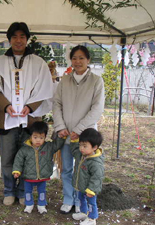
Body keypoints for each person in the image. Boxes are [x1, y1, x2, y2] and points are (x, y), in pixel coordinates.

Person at [0, 22, 53, 206]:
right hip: (7, 119)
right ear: (9, 39)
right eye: (14, 37)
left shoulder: (38, 63)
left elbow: (44, 89)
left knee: (28, 157)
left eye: (22, 36)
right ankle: (9, 191)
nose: (18, 40)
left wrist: (30, 107)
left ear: (27, 39)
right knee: (7, 158)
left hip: (29, 120)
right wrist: (5, 106)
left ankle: (23, 192)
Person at [53, 45, 105, 214]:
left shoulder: (96, 81)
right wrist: (60, 126)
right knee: (66, 169)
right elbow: (57, 104)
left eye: (81, 58)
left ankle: (80, 201)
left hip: (85, 138)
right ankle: (68, 199)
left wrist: (80, 130)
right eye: (74, 58)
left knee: (83, 171)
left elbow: (97, 109)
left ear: (88, 60)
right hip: (66, 135)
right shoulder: (65, 80)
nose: (78, 61)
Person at [12, 121, 65, 214]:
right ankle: (29, 205)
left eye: (41, 138)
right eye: (35, 137)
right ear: (30, 136)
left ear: (45, 137)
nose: (38, 140)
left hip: (42, 176)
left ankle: (41, 205)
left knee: (42, 192)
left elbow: (57, 145)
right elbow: (18, 160)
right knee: (28, 192)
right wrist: (17, 171)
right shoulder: (25, 149)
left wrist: (61, 137)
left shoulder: (48, 147)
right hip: (28, 176)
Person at [70, 128, 104, 225]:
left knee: (91, 203)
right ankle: (83, 212)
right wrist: (74, 141)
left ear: (94, 147)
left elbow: (97, 177)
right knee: (81, 199)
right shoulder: (81, 155)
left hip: (90, 189)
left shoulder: (95, 162)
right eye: (80, 145)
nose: (81, 148)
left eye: (85, 146)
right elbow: (74, 150)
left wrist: (92, 189)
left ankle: (92, 218)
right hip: (81, 186)